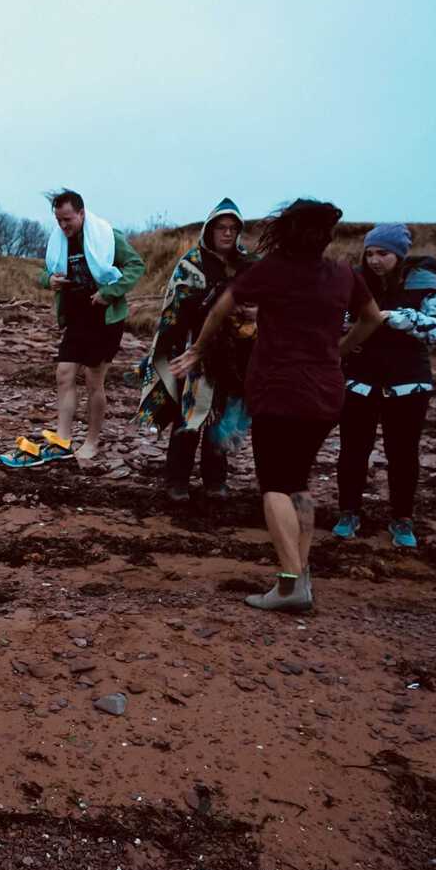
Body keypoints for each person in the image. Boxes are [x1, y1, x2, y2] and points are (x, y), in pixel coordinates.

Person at [166, 199, 382, 612]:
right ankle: (300, 574)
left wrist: (196, 351)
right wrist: (339, 350)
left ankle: (288, 584)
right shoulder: (342, 274)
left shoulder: (272, 270)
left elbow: (221, 307)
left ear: (285, 232)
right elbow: (372, 318)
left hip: (278, 389)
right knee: (298, 482)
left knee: (275, 487)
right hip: (326, 391)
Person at [333, 223, 436, 548]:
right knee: (353, 450)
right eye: (369, 253)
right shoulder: (354, 280)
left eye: (382, 253)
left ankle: (402, 519)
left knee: (403, 453)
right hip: (359, 380)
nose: (374, 260)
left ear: (399, 254)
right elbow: (336, 316)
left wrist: (408, 319)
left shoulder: (429, 283)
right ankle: (348, 512)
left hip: (409, 383)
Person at [138, 198, 259, 500]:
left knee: (221, 415)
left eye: (233, 228)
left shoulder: (247, 264)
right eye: (222, 227)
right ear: (210, 229)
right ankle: (177, 480)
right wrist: (213, 300)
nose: (227, 234)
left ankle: (215, 480)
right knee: (190, 416)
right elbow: (176, 306)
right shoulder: (190, 264)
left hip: (235, 352)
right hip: (195, 349)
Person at [36, 188, 144, 462]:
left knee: (93, 380)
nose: (63, 226)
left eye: (68, 220)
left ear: (81, 213)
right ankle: (63, 439)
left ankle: (92, 441)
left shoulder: (107, 235)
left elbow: (135, 266)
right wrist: (48, 280)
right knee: (63, 374)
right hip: (76, 317)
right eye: (58, 220)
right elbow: (42, 272)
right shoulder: (58, 241)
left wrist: (109, 293)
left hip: (104, 319)